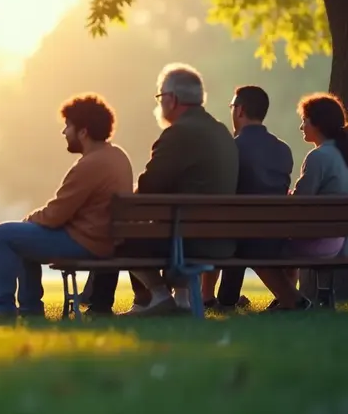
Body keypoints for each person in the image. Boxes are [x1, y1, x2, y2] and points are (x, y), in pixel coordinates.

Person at [87, 63, 239, 316]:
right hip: (219, 240)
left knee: (115, 232)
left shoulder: (178, 134)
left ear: (172, 99)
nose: (159, 103)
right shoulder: (221, 131)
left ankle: (157, 296)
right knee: (151, 224)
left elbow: (148, 188)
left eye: (160, 97)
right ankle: (180, 299)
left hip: (185, 242)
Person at [0, 94, 133, 320]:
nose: (64, 132)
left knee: (3, 234)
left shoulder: (90, 165)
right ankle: (29, 308)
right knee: (23, 237)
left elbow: (56, 214)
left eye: (68, 126)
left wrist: (30, 219)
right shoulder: (117, 156)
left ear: (83, 132)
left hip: (86, 242)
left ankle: (3, 306)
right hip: (102, 239)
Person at [249, 93, 348, 311]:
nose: (301, 127)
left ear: (317, 124)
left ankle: (293, 300)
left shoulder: (319, 157)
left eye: (304, 120)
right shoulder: (341, 155)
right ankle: (287, 300)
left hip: (319, 244)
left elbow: (299, 204)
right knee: (284, 245)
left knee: (256, 249)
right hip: (340, 242)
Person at [201, 86, 293, 310]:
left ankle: (207, 296)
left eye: (232, 107)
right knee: (237, 225)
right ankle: (226, 298)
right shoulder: (283, 149)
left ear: (240, 110)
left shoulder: (231, 148)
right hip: (275, 233)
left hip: (239, 235)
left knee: (216, 225)